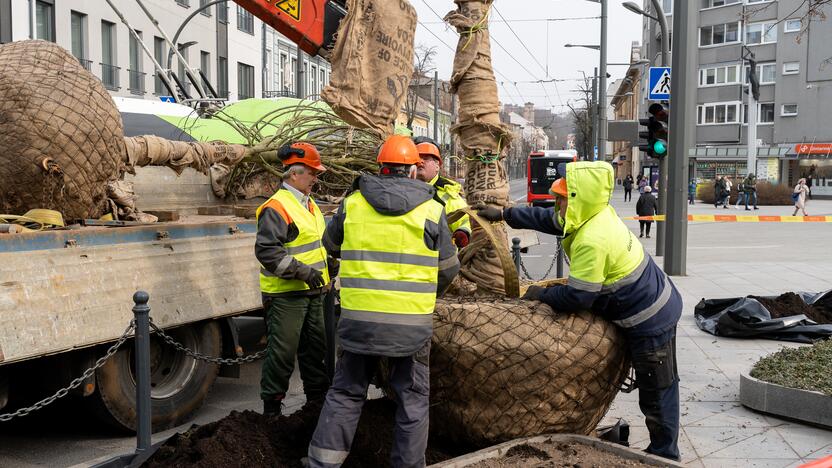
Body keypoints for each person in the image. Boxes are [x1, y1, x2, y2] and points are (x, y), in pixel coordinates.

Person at [477, 161, 683, 461]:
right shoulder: (590, 213)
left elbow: (579, 296)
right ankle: (663, 449)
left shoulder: (592, 237)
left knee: (657, 389)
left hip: (651, 318)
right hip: (654, 299)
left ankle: (664, 456)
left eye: (562, 196)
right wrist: (506, 214)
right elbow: (548, 218)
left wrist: (541, 294)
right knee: (659, 386)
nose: (556, 202)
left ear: (577, 198)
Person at [307, 135, 460, 468]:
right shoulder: (433, 209)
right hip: (411, 326)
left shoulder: (353, 204)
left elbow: (330, 244)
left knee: (346, 392)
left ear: (379, 168)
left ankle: (323, 463)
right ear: (411, 171)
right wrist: (424, 296)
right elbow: (449, 269)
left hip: (359, 321)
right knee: (413, 399)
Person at [255, 142, 333, 417]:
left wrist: (329, 268)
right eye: (312, 173)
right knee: (282, 355)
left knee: (315, 353)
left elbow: (317, 245)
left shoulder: (309, 204)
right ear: (294, 174)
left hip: (314, 292)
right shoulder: (277, 207)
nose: (316, 178)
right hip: (286, 295)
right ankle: (271, 412)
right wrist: (304, 272)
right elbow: (268, 252)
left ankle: (316, 406)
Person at [414, 136, 471, 248]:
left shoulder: (448, 195)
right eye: (417, 158)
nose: (420, 162)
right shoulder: (401, 190)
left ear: (437, 166)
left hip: (439, 262)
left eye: (426, 158)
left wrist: (463, 232)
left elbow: (466, 220)